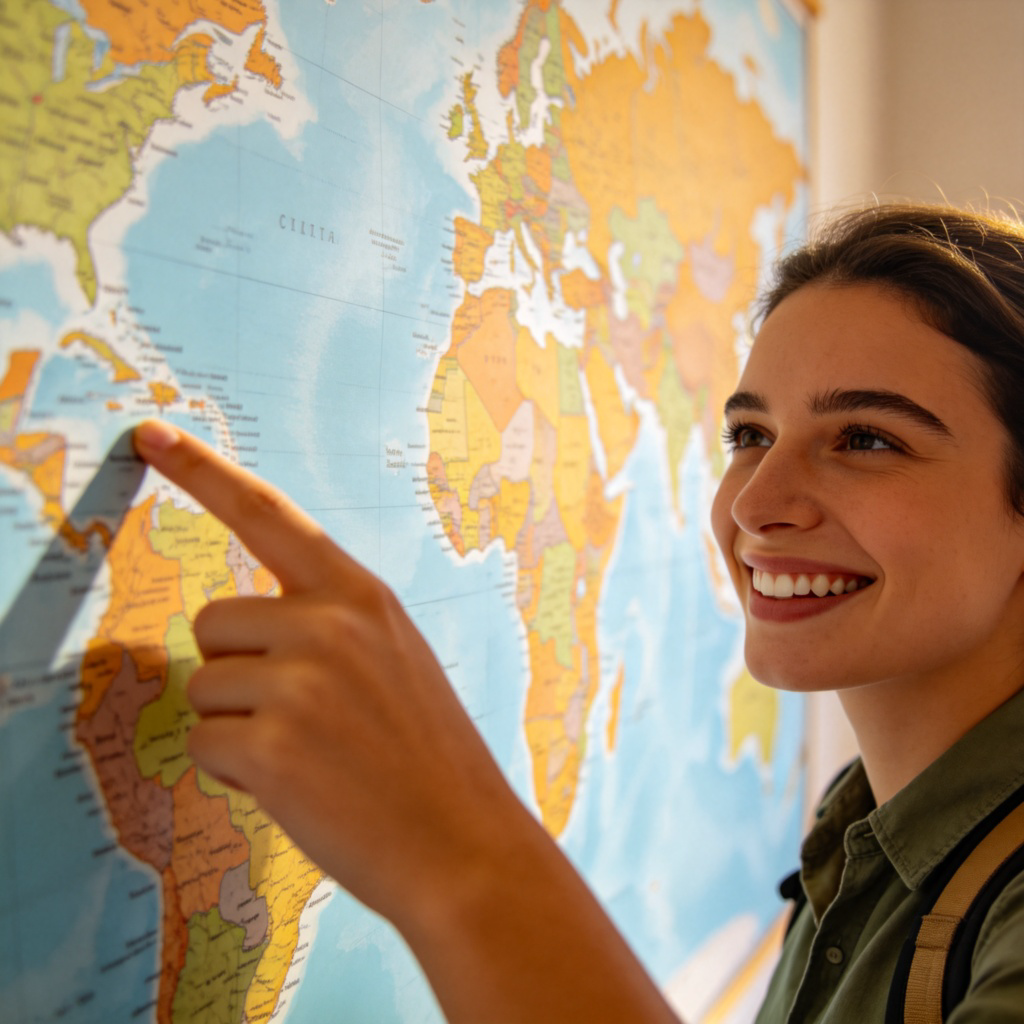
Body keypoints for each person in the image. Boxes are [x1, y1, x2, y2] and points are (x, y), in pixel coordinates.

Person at [132, 202, 1024, 1022]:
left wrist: (454, 849)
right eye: (750, 436)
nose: (756, 504)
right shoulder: (862, 825)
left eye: (866, 439)